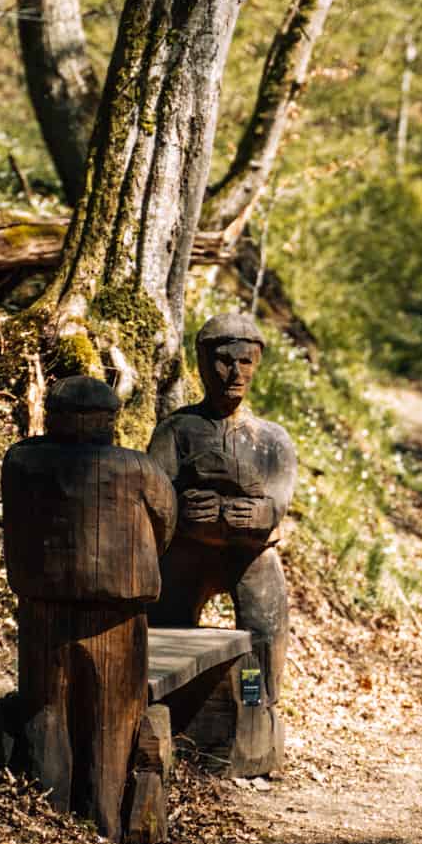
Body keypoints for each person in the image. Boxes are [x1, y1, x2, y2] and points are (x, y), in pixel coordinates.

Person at [0, 375, 176, 840]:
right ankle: (103, 825)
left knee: (47, 714)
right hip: (115, 616)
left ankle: (47, 819)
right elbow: (166, 524)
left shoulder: (20, 461)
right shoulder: (139, 469)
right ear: (110, 420)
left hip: (43, 611)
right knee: (110, 723)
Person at [146, 314, 297, 773]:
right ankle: (167, 706)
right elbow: (155, 491)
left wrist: (263, 514)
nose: (234, 374)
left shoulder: (272, 439)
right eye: (223, 361)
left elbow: (280, 498)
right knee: (166, 621)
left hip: (250, 556)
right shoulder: (178, 430)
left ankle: (257, 707)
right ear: (201, 363)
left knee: (264, 627)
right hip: (189, 554)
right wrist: (182, 513)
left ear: (257, 365)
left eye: (245, 362)